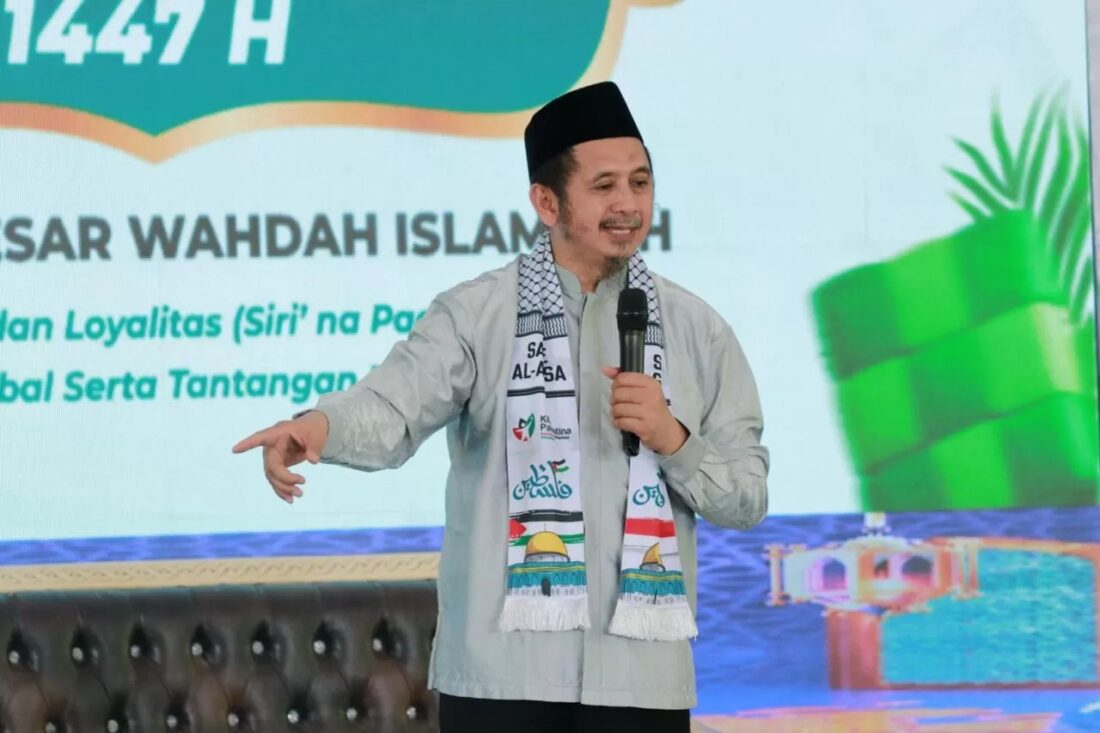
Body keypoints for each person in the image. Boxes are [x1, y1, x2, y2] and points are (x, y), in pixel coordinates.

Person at [233, 81, 769, 733]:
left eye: (640, 182)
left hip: (641, 683)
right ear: (547, 201)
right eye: (604, 186)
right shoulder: (478, 314)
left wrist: (674, 438)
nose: (628, 205)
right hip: (502, 678)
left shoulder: (696, 330)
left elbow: (746, 499)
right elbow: (391, 408)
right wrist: (317, 427)